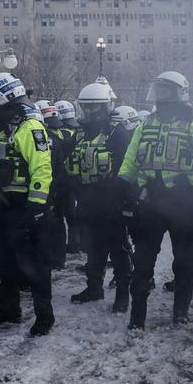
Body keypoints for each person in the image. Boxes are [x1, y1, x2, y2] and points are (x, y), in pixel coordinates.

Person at [118, 71, 193, 328]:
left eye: (166, 91)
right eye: (159, 91)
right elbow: (130, 161)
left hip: (183, 205)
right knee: (142, 262)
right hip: (150, 203)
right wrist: (121, 186)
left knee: (184, 261)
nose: (160, 97)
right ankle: (137, 318)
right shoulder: (145, 125)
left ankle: (181, 311)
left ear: (180, 94)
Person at [0, 73, 55, 336]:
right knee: (4, 259)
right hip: (0, 205)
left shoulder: (29, 127)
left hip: (23, 206)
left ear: (4, 98)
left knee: (33, 264)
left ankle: (45, 316)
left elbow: (42, 168)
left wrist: (36, 206)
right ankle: (8, 308)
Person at [68, 83, 133, 313]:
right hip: (87, 200)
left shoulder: (118, 132)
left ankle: (123, 294)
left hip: (111, 202)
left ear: (106, 106)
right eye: (86, 106)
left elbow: (128, 167)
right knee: (93, 248)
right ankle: (94, 288)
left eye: (95, 105)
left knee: (118, 249)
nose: (90, 110)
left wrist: (123, 200)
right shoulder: (80, 133)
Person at [36, 100, 77, 270]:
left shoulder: (49, 137)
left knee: (56, 222)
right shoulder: (62, 133)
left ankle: (56, 258)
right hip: (65, 183)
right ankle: (64, 253)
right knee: (66, 219)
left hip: (55, 185)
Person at [54, 99, 82, 253]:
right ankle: (78, 242)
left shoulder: (59, 134)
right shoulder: (77, 132)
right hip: (75, 177)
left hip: (63, 179)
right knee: (73, 214)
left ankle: (72, 245)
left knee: (64, 214)